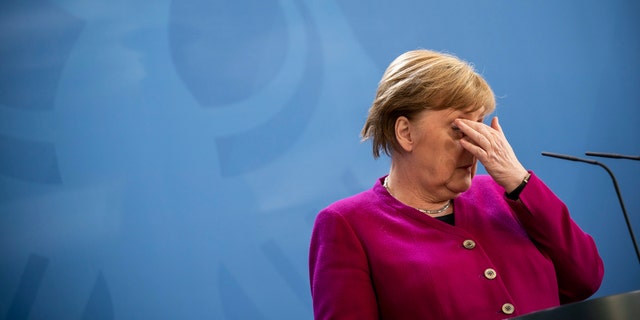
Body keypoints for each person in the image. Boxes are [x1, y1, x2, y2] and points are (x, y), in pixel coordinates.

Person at [308, 49, 604, 319]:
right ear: (406, 133)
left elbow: (586, 278)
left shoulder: (511, 195)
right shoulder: (346, 225)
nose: (476, 144)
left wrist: (519, 180)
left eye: (480, 125)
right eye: (459, 127)